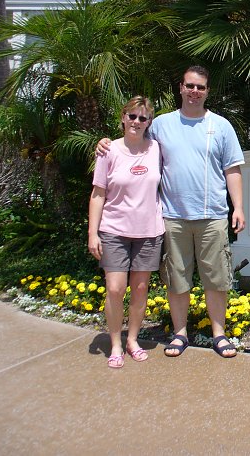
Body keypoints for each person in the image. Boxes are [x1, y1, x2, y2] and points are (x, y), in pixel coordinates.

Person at [97, 65, 245, 359]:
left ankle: (219, 334)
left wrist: (237, 206)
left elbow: (232, 169)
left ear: (207, 92)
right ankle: (180, 333)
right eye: (190, 85)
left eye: (200, 87)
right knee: (177, 279)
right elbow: (132, 134)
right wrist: (103, 143)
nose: (194, 91)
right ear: (180, 87)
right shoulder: (161, 124)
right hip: (172, 217)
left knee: (216, 279)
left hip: (212, 215)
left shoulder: (221, 126)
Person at [89, 96, 164, 369]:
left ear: (149, 123)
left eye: (142, 118)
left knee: (140, 289)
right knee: (115, 288)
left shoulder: (157, 148)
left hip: (149, 231)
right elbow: (98, 194)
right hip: (114, 229)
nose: (136, 122)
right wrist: (92, 233)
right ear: (123, 117)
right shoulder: (108, 151)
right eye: (132, 116)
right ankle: (116, 342)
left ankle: (132, 339)